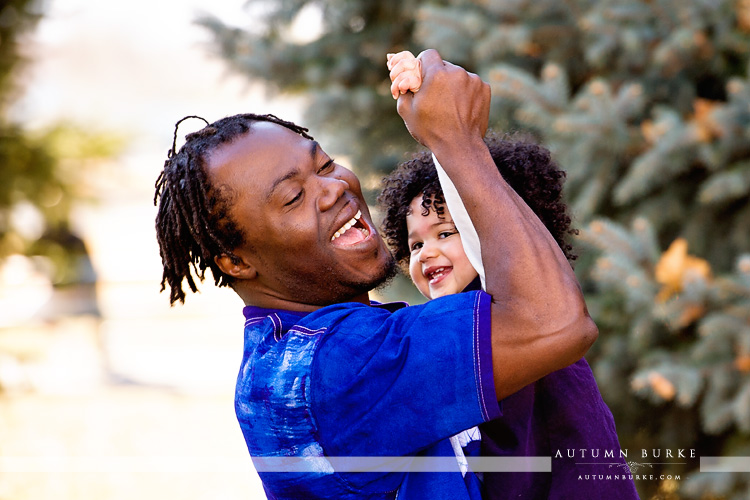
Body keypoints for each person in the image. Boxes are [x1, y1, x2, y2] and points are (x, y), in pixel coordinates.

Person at [153, 50, 598, 499]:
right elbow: (554, 323)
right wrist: (456, 139)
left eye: (324, 164)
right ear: (237, 262)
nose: (334, 188)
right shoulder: (336, 368)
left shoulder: (300, 352)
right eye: (292, 197)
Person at [378, 134, 639, 499]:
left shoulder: (527, 325)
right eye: (416, 244)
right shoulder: (440, 332)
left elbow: (585, 438)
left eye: (445, 233)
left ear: (484, 234)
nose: (426, 253)